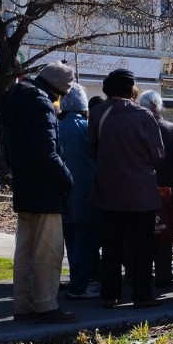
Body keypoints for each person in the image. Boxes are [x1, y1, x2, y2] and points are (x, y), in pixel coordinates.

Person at [0, 62, 77, 322]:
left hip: (24, 185)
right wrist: (67, 180)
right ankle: (46, 305)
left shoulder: (17, 99)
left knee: (25, 250)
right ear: (58, 90)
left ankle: (23, 305)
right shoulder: (41, 104)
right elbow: (47, 152)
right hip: (45, 189)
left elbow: (8, 150)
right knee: (48, 250)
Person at [88, 69, 164, 308]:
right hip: (141, 191)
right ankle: (142, 295)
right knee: (143, 245)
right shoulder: (143, 115)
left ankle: (109, 294)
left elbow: (93, 147)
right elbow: (158, 153)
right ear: (131, 88)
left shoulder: (98, 113)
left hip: (109, 189)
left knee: (111, 244)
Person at [58, 84, 101, 300]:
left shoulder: (56, 127)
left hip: (63, 193)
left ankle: (76, 281)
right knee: (86, 241)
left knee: (71, 241)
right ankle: (78, 286)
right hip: (86, 192)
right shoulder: (87, 128)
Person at [138, 90, 173, 288]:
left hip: (140, 189)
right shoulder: (171, 130)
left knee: (140, 234)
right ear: (159, 107)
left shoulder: (137, 129)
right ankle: (164, 275)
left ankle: (137, 275)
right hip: (167, 191)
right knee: (164, 233)